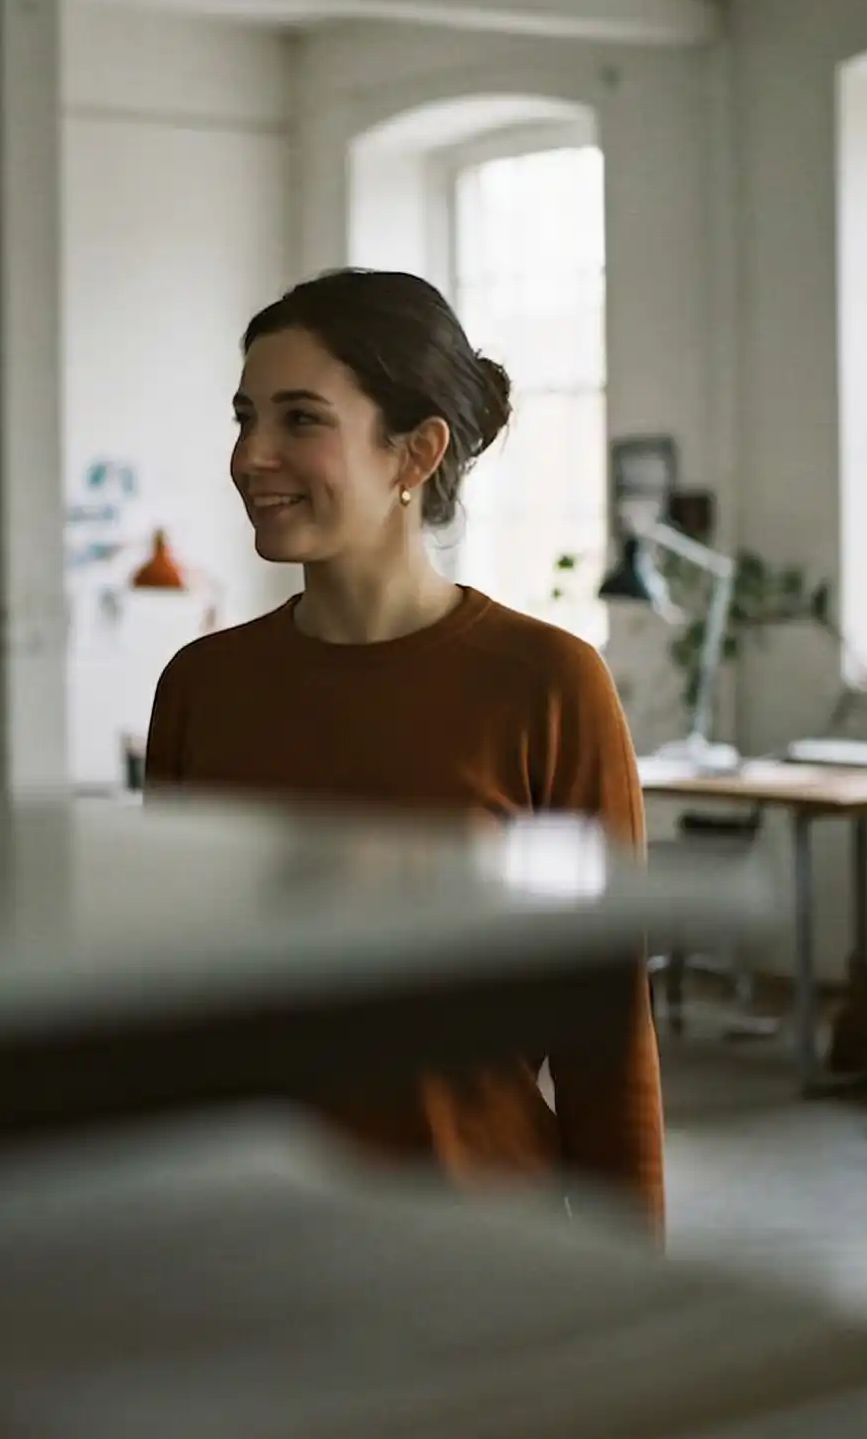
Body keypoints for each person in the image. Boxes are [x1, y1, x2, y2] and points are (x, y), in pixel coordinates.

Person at [144, 266, 663, 1233]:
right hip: (248, 1238)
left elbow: (605, 1036)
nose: (250, 455)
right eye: (243, 416)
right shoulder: (201, 687)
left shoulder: (548, 684)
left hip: (479, 1242)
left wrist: (626, 1297)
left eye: (300, 419)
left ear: (414, 454)